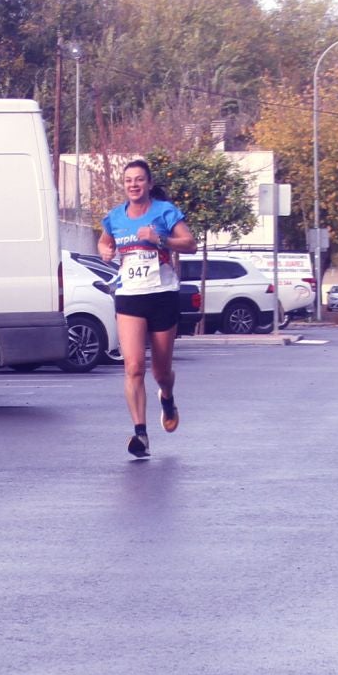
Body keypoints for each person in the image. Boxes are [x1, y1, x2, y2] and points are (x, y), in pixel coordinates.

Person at [98, 158, 197, 458]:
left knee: (161, 371)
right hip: (129, 296)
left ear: (149, 183)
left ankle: (167, 397)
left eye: (139, 179)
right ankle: (141, 434)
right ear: (124, 185)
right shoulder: (115, 217)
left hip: (162, 294)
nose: (134, 184)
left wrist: (160, 239)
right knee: (133, 367)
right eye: (129, 180)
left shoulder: (164, 212)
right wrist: (105, 251)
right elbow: (104, 243)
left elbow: (190, 244)